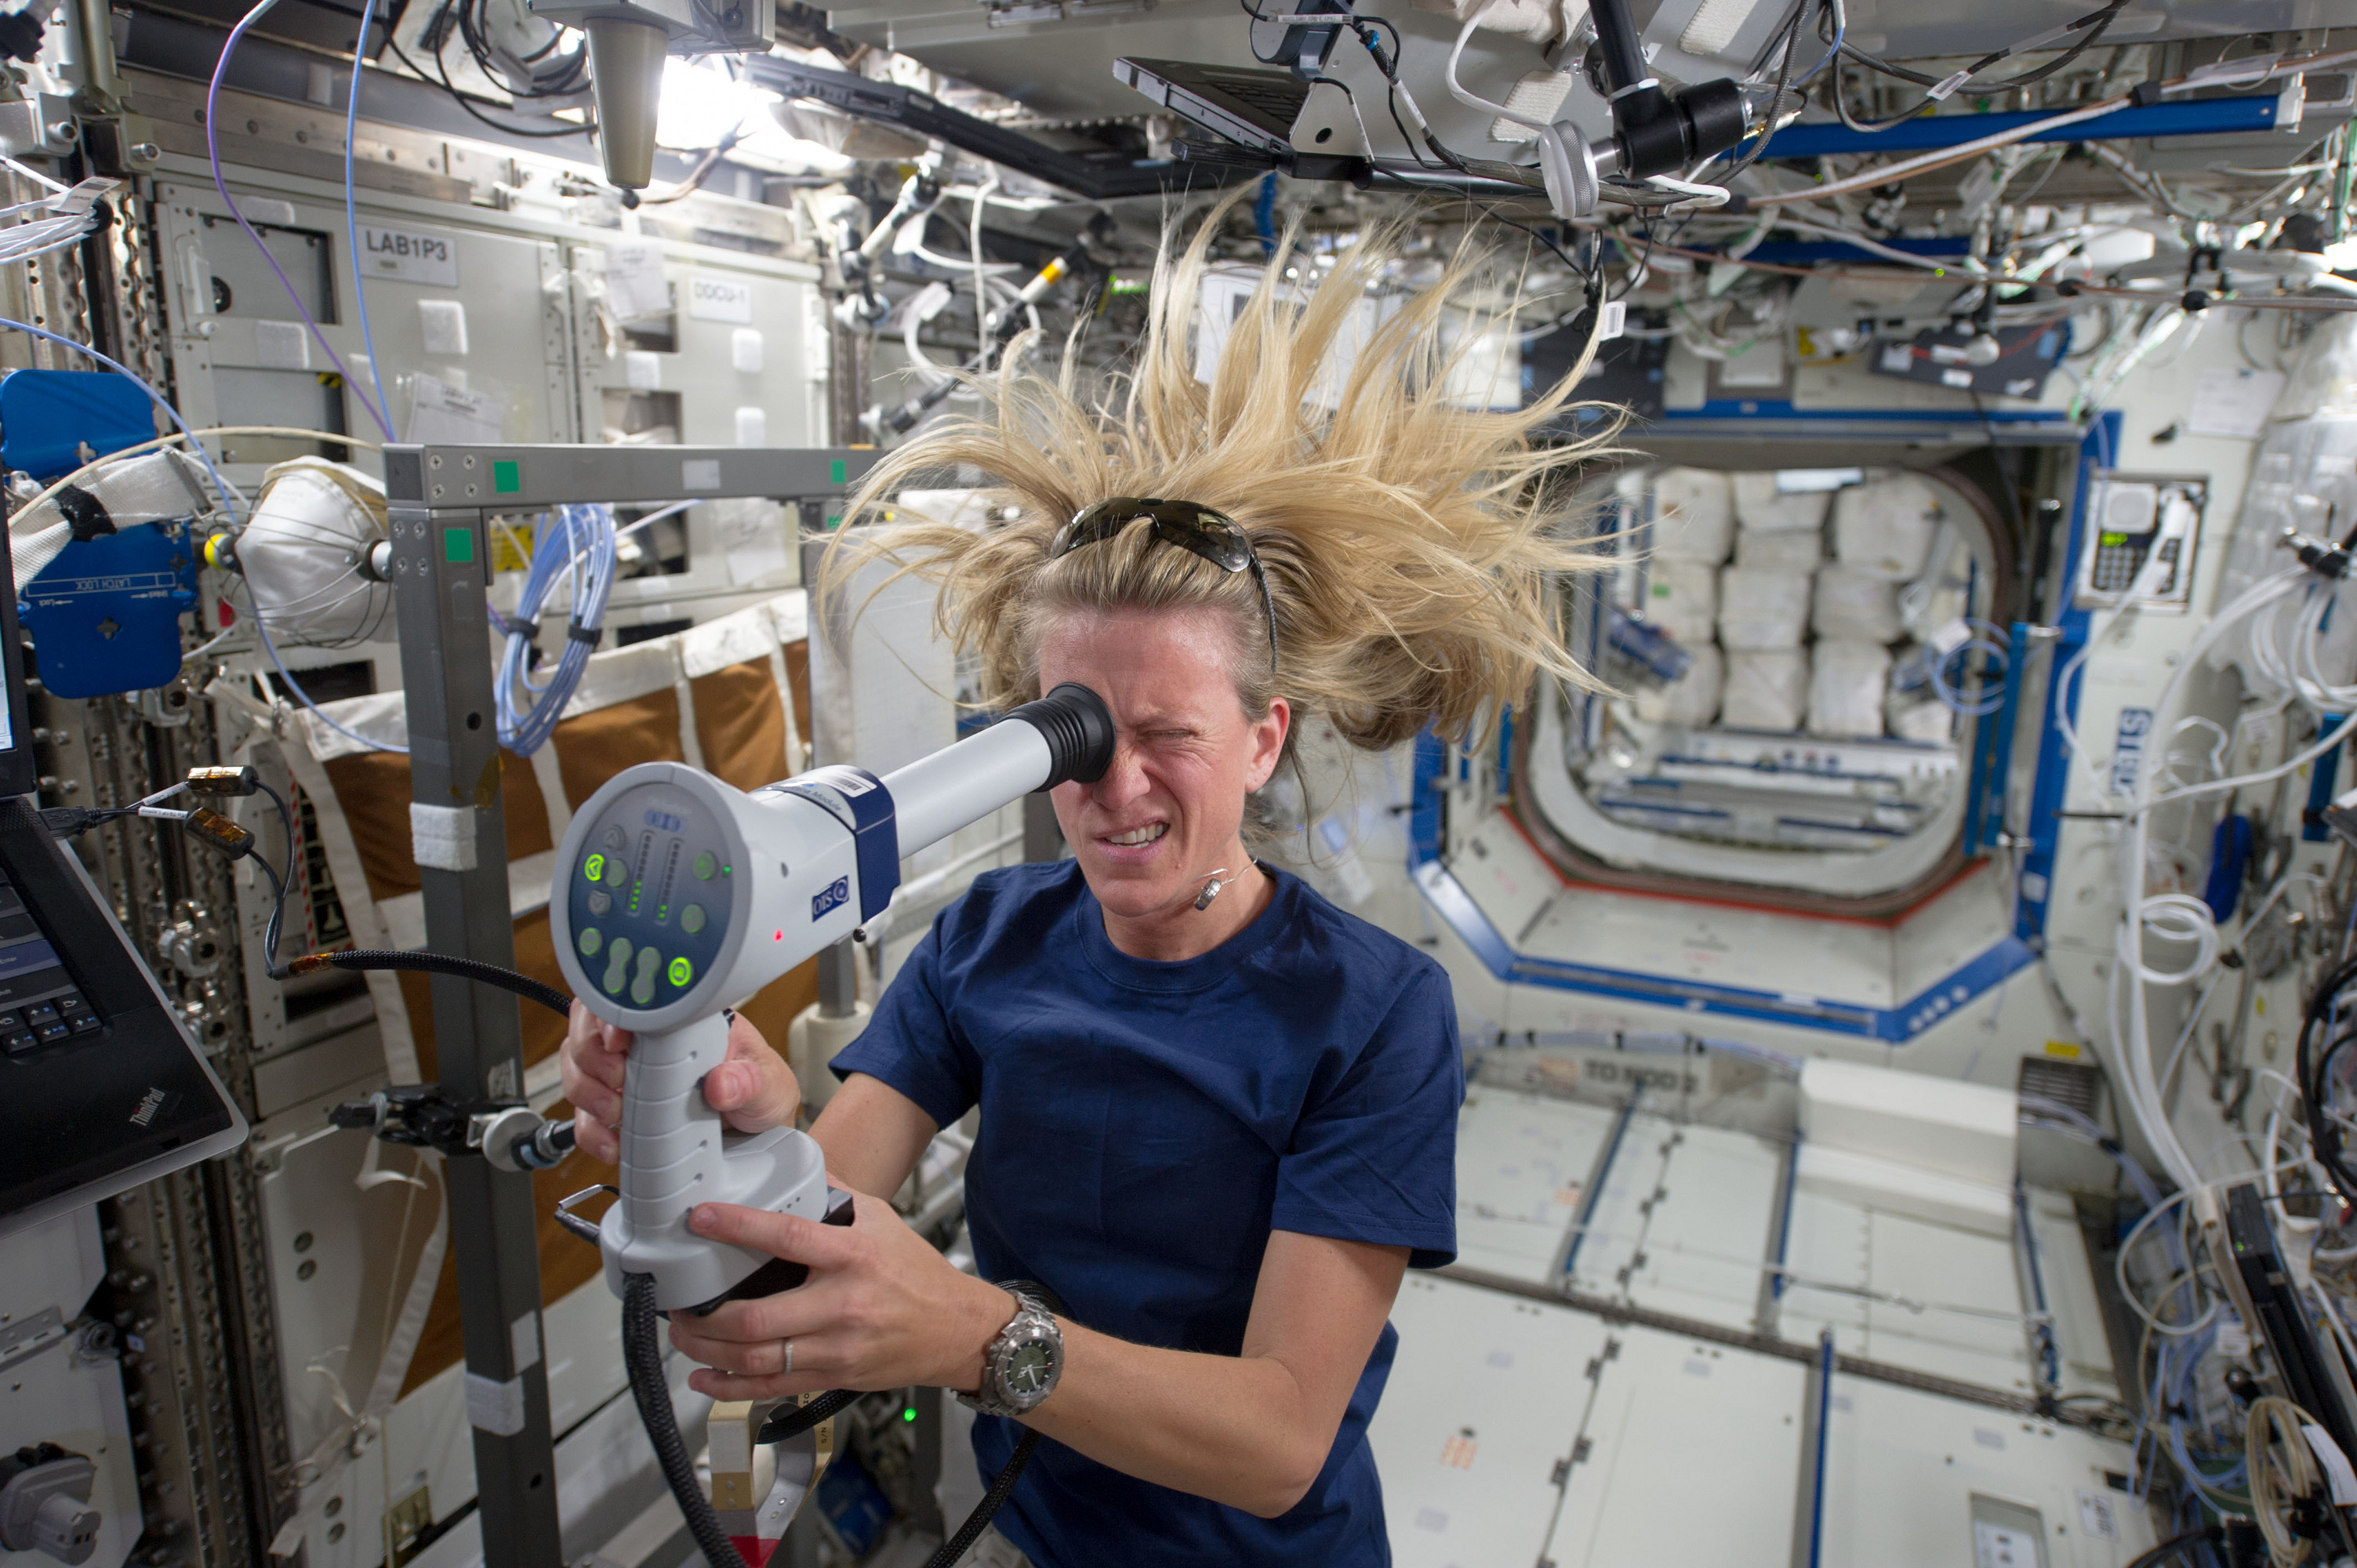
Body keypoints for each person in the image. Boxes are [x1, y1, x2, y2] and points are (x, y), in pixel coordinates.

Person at [559, 201, 1611, 1566]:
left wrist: (966, 1333)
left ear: (1263, 735)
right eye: (1073, 735)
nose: (1116, 793)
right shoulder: (989, 941)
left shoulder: (1372, 1014)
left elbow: (1283, 1439)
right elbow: (809, 1238)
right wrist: (741, 1131)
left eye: (1169, 737)